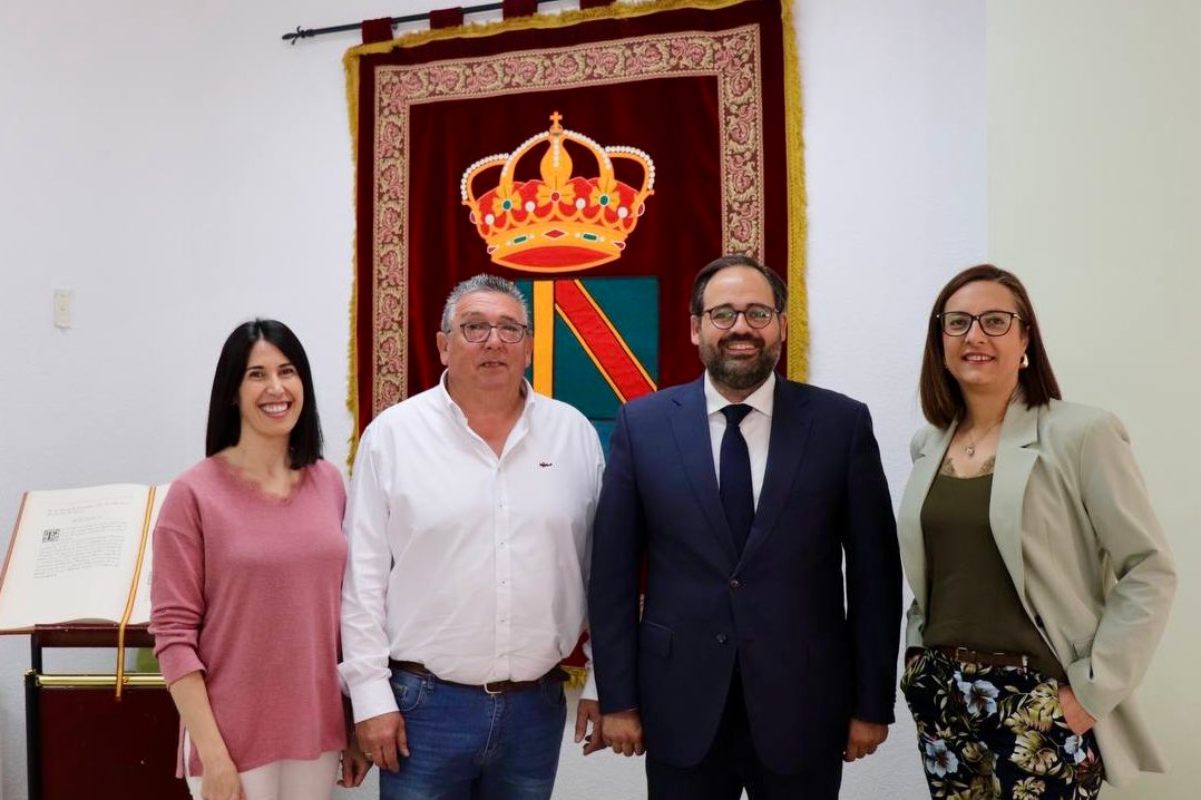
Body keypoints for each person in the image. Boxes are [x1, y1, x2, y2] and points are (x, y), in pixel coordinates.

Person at [588, 254, 903, 799]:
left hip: (804, 707)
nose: (741, 327)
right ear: (695, 328)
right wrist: (618, 699)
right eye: (723, 313)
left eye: (758, 313)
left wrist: (871, 704)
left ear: (783, 324)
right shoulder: (642, 425)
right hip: (679, 706)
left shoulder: (840, 424)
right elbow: (612, 575)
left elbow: (876, 578)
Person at [897, 264, 1177, 798]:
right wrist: (916, 662)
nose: (974, 335)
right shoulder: (927, 445)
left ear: (1026, 337)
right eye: (957, 323)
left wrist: (1090, 693)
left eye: (995, 321)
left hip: (1040, 699)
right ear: (940, 340)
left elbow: (1150, 569)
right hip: (942, 696)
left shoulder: (1082, 433)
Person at [340, 274, 607, 800]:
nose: (493, 341)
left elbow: (602, 572)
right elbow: (362, 580)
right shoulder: (392, 437)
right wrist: (370, 698)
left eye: (510, 328)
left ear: (529, 347)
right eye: (474, 327)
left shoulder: (573, 434)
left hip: (536, 706)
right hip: (421, 708)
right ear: (443, 344)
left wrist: (604, 680)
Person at [150, 319, 368, 800]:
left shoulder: (329, 482)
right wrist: (213, 755)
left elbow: (344, 617)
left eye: (288, 372)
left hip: (316, 730)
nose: (276, 388)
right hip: (228, 737)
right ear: (231, 391)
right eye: (256, 374)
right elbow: (172, 636)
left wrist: (351, 723)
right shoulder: (193, 494)